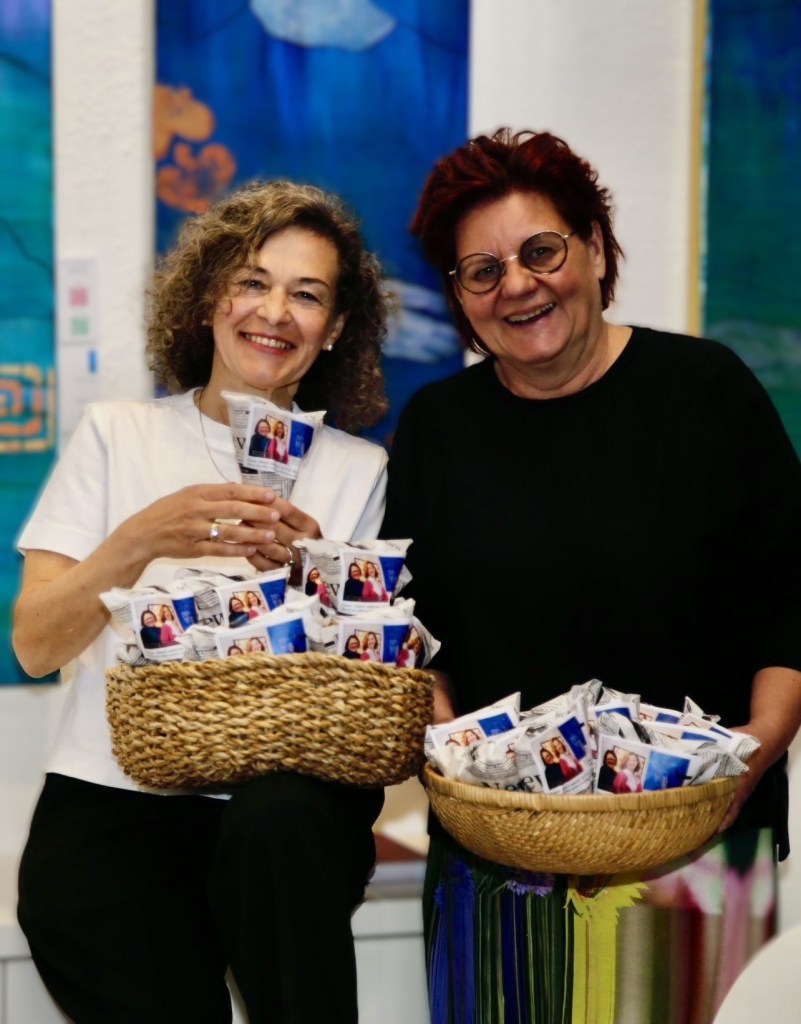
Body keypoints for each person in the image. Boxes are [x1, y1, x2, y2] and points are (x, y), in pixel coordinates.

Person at [381, 128, 801, 1024]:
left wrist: (755, 748)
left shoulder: (706, 390)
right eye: (482, 271)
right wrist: (451, 752)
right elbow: (410, 633)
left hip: (697, 847)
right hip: (498, 865)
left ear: (596, 250)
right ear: (459, 298)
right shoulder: (436, 429)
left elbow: (792, 596)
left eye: (541, 251)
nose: (517, 285)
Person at [13, 178, 392, 1024]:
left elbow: (365, 689)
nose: (275, 312)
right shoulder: (118, 436)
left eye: (307, 295)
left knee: (281, 825)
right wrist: (139, 539)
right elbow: (34, 645)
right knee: (88, 903)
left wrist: (319, 577)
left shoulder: (358, 470)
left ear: (334, 329)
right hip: (112, 794)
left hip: (279, 804)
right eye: (253, 281)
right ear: (209, 297)